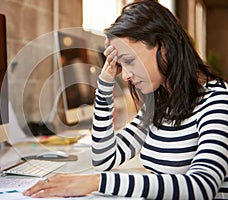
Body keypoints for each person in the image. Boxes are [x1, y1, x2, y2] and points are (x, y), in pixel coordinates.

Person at [23, 0, 228, 199]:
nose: (126, 75)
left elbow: (201, 187)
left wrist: (97, 182)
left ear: (164, 47)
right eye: (122, 65)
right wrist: (104, 85)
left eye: (129, 61)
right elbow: (104, 158)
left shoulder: (218, 101)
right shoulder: (160, 106)